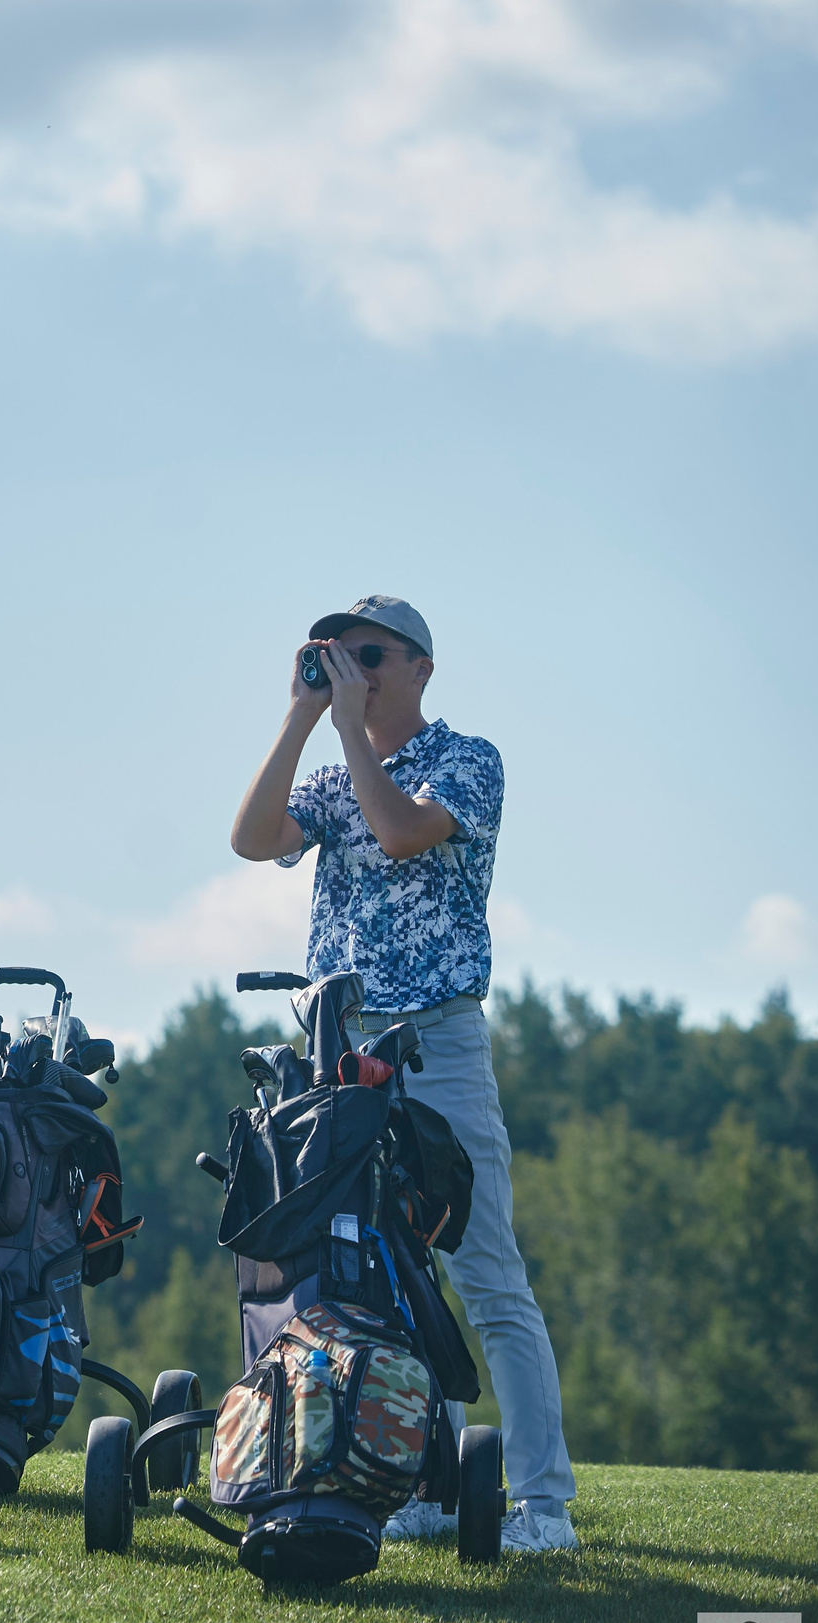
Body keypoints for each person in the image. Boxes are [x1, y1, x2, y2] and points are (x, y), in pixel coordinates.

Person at [229, 593, 578, 1553]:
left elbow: (399, 832)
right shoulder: (334, 767)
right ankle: (421, 1480)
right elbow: (253, 838)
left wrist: (348, 733)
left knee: (484, 1271)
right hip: (340, 1046)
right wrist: (300, 718)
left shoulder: (466, 760)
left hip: (437, 1042)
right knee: (374, 1272)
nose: (355, 668)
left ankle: (544, 1504)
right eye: (335, 653)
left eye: (370, 654)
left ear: (421, 666)